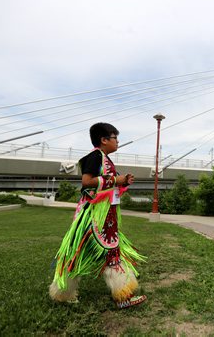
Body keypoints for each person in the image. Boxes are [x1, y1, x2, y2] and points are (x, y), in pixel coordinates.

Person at [49, 122, 147, 308]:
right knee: (108, 253)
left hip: (104, 219)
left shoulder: (105, 159)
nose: (117, 141)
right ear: (103, 140)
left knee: (80, 255)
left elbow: (107, 188)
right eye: (115, 137)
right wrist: (114, 179)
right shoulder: (95, 156)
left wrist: (123, 182)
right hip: (94, 219)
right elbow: (87, 182)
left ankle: (62, 294)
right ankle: (122, 295)